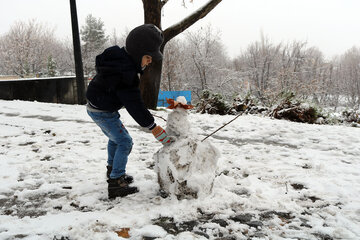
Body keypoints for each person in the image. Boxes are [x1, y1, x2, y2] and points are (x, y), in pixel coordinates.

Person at [86, 24, 171, 199]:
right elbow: (134, 104)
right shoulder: (125, 73)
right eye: (148, 57)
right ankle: (116, 182)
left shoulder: (119, 61)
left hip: (98, 107)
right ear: (138, 54)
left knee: (116, 139)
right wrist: (153, 127)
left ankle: (113, 172)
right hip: (102, 110)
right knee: (125, 142)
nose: (149, 62)